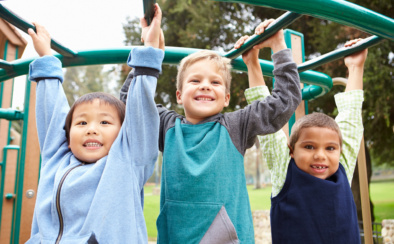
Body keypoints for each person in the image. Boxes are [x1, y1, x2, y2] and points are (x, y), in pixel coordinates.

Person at [120, 18, 302, 243]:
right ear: (179, 95)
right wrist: (151, 51)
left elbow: (285, 100)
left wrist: (277, 45)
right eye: (195, 80)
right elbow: (131, 103)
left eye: (215, 83)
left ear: (226, 98)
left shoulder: (236, 126)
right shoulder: (168, 128)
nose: (205, 85)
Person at [26, 4, 164, 243]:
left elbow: (141, 111)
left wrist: (149, 51)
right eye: (81, 123)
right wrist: (46, 57)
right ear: (67, 136)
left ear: (123, 133)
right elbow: (52, 113)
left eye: (104, 122)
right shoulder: (56, 157)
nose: (91, 128)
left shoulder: (128, 161)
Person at [241, 32, 367, 243]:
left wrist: (356, 67)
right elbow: (266, 116)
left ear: (339, 150)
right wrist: (252, 63)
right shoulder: (285, 171)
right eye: (309, 147)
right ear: (291, 150)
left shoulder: (342, 167)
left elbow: (351, 117)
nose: (320, 155)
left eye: (330, 148)